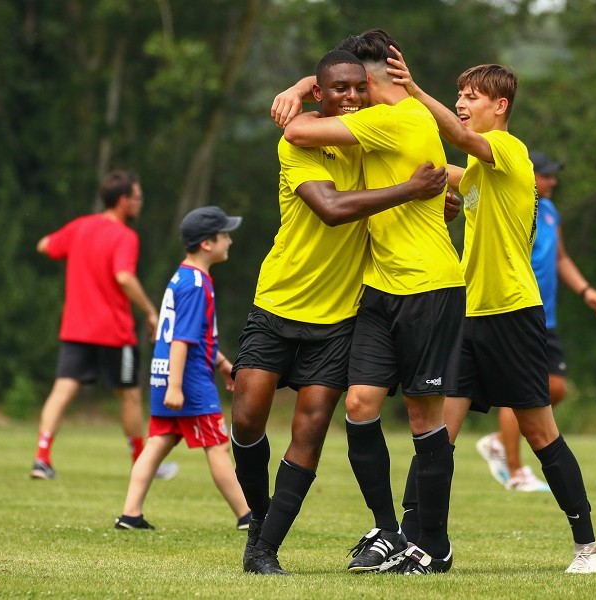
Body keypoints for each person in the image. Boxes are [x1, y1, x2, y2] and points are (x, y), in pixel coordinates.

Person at [386, 49, 596, 574]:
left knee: (540, 434)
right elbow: (445, 171)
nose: (462, 104)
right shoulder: (476, 176)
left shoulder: (510, 151)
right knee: (436, 434)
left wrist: (417, 92)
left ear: (500, 106)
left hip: (512, 314)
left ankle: (588, 547)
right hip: (468, 315)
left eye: (471, 97)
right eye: (459, 95)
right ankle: (413, 543)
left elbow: (461, 145)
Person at [233, 49, 450, 575]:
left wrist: (454, 193)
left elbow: (426, 149)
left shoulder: (375, 135)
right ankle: (259, 519)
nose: (351, 98)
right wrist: (409, 190)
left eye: (359, 88)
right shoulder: (301, 142)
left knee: (309, 431)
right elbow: (330, 211)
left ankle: (264, 551)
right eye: (338, 90)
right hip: (277, 303)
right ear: (320, 95)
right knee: (245, 420)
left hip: (338, 320)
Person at [475, 151, 596, 492]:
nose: (553, 181)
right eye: (546, 175)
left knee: (555, 388)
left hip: (545, 318)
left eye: (554, 175)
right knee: (520, 393)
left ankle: (498, 442)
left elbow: (561, 257)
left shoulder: (550, 212)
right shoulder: (516, 205)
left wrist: (586, 291)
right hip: (518, 312)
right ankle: (516, 471)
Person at [30, 170, 177, 481]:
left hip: (76, 328)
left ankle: (42, 458)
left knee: (62, 390)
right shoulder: (125, 236)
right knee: (129, 395)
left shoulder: (80, 226)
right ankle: (142, 461)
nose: (140, 204)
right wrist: (151, 310)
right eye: (137, 198)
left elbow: (44, 245)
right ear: (123, 200)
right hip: (113, 331)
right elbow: (124, 276)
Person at [116, 206, 250, 530]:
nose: (229, 241)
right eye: (224, 235)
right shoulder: (195, 284)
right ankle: (249, 516)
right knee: (217, 445)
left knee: (159, 442)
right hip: (187, 381)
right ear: (207, 243)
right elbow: (182, 339)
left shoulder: (183, 276)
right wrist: (177, 386)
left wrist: (221, 363)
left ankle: (130, 514)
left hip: (166, 376)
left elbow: (197, 334)